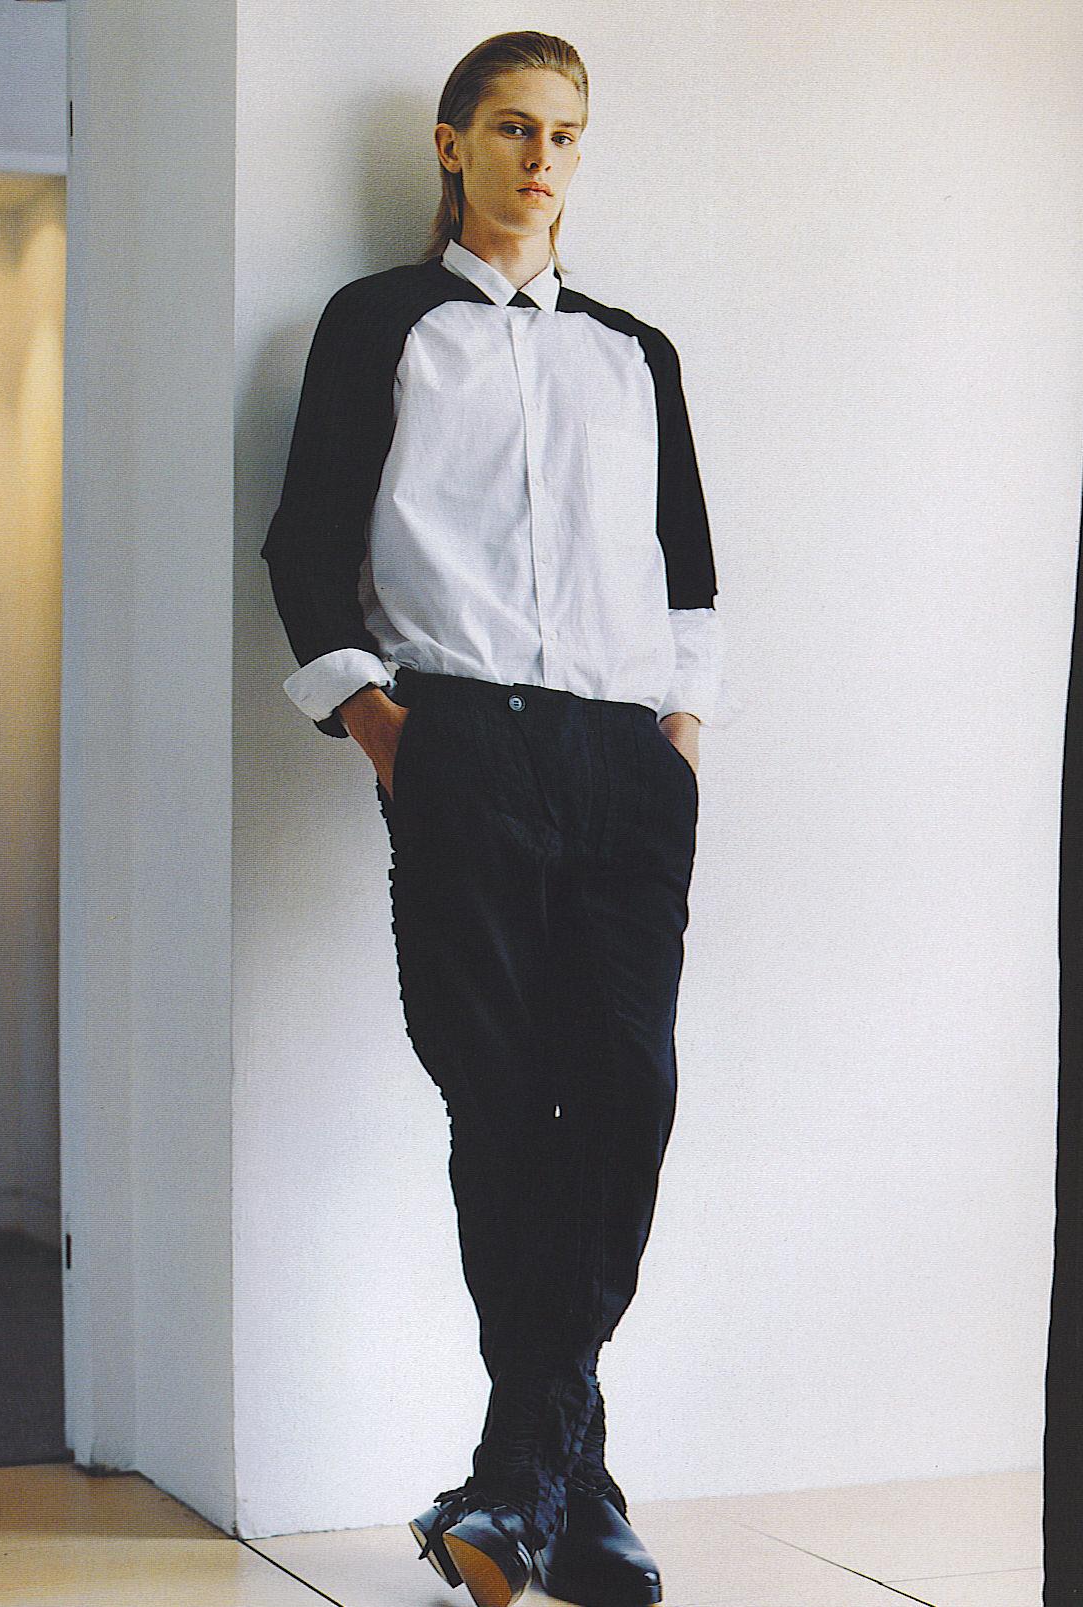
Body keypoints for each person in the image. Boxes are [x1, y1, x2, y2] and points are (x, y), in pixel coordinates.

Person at [260, 30, 722, 1607]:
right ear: (452, 145)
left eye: (566, 134)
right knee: (503, 1104)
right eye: (513, 128)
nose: (542, 159)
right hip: (461, 742)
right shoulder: (379, 323)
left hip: (622, 762)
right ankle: (564, 1487)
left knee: (626, 1097)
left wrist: (674, 740)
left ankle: (522, 1477)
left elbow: (687, 574)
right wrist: (381, 725)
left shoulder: (633, 352)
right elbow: (306, 541)